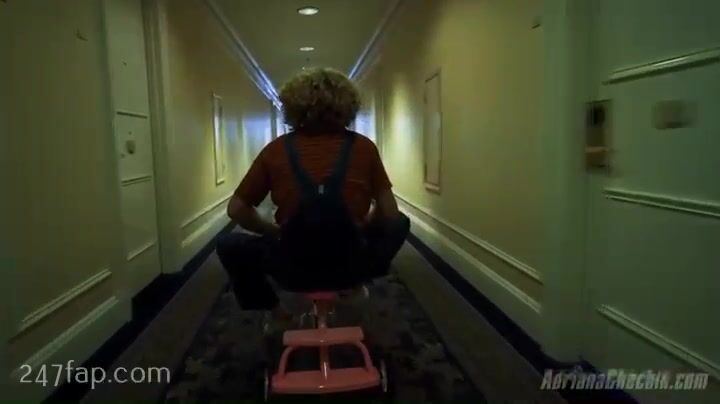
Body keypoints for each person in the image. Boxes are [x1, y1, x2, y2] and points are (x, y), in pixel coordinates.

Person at [216, 67, 410, 324]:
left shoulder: (275, 150)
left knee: (228, 244)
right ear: (347, 105)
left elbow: (236, 210)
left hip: (292, 269)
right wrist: (364, 227)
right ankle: (355, 284)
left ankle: (276, 311)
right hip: (350, 264)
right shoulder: (364, 148)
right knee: (401, 223)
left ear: (292, 107)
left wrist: (273, 231)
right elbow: (390, 212)